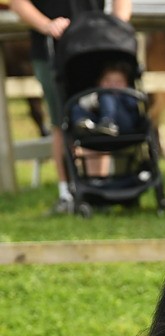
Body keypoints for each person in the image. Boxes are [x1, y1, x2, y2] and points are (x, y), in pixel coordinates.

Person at [11, 0, 132, 213]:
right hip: (52, 48)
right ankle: (66, 191)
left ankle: (98, 189)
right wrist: (47, 25)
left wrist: (114, 27)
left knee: (100, 116)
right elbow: (18, 2)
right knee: (61, 120)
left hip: (96, 45)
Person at [69, 60, 139, 137]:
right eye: (107, 80)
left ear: (127, 85)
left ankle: (107, 122)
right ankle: (82, 123)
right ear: (99, 82)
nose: (112, 85)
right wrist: (94, 103)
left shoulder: (127, 96)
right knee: (77, 106)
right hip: (98, 124)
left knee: (107, 95)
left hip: (123, 123)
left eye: (118, 82)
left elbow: (133, 105)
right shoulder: (97, 95)